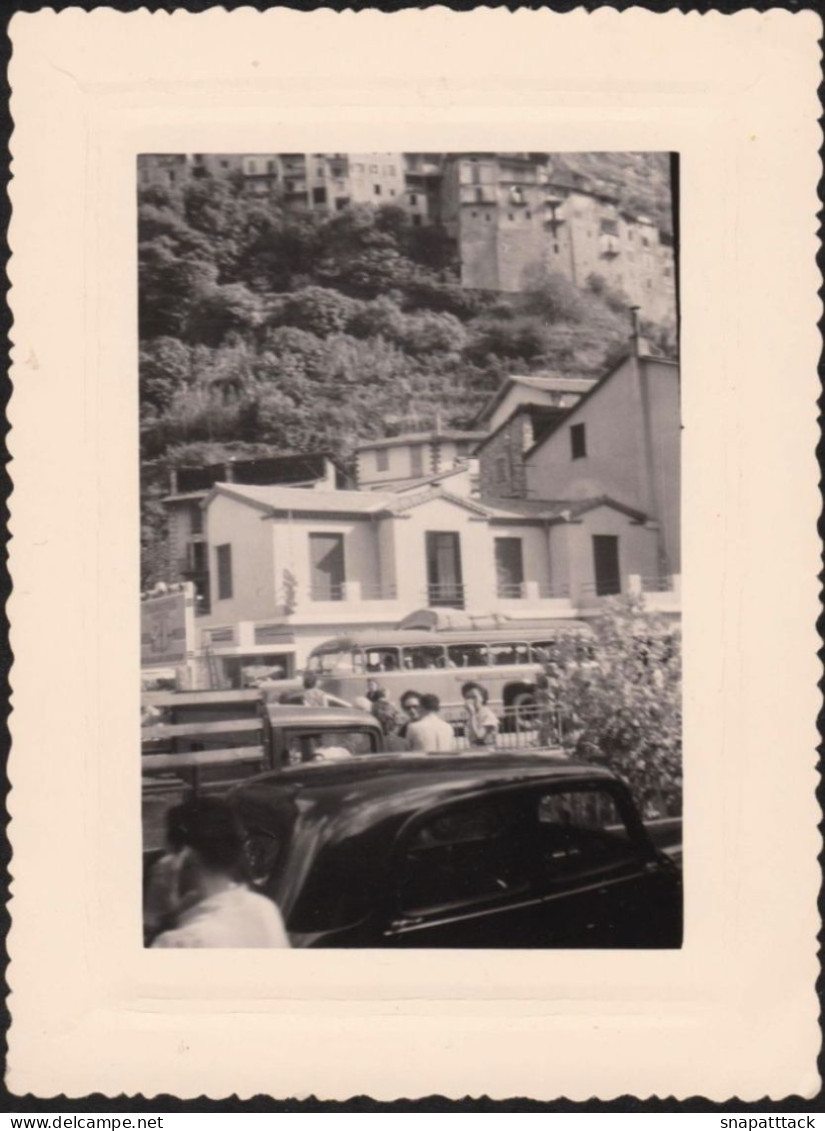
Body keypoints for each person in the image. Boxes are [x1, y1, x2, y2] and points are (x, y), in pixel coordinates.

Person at [147, 797, 290, 949]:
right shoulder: (265, 909)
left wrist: (152, 916)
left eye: (170, 853)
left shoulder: (179, 942)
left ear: (186, 857)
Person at [461, 681, 500, 747]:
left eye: (474, 697)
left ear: (482, 698)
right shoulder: (474, 715)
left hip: (488, 753)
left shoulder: (488, 715)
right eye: (468, 698)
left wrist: (472, 715)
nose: (471, 701)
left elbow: (479, 736)